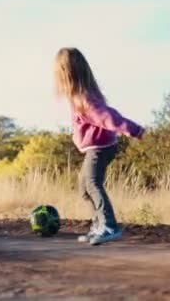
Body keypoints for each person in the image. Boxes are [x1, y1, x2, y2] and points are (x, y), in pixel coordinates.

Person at [53, 47, 144, 245]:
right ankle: (99, 225)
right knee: (84, 189)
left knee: (93, 184)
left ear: (67, 74)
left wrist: (134, 129)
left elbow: (108, 117)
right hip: (95, 148)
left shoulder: (84, 98)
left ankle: (109, 226)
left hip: (101, 147)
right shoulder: (79, 96)